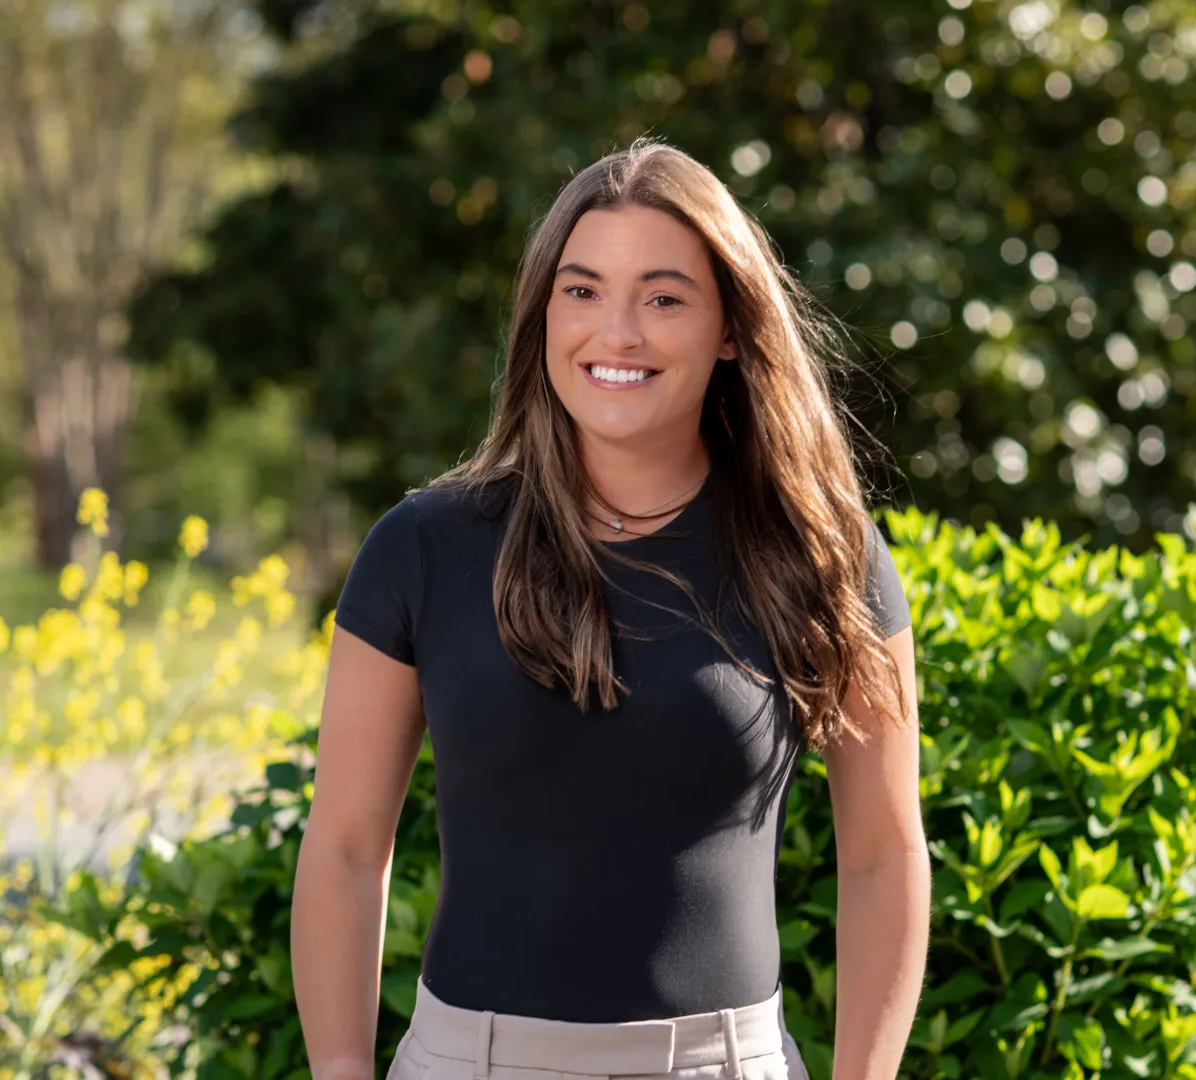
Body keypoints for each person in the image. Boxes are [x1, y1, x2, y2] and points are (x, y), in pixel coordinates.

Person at [291, 139, 927, 1080]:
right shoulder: (422, 547)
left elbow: (883, 853)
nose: (616, 333)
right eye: (581, 291)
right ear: (543, 313)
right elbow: (345, 845)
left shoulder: (822, 555)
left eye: (664, 297)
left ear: (730, 329)